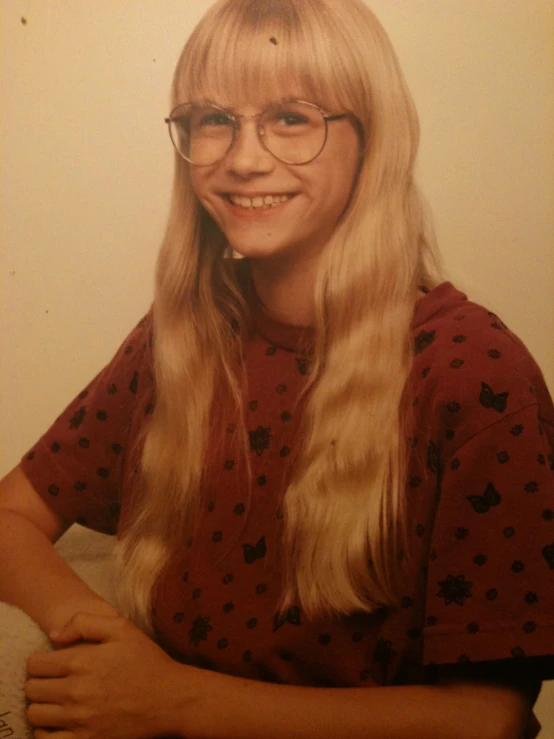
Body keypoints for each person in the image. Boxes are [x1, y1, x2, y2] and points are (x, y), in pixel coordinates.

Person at [1, 0, 552, 736]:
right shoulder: (180, 334)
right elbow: (11, 515)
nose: (244, 157)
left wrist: (176, 700)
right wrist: (101, 634)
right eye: (211, 118)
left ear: (373, 139)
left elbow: (491, 717)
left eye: (291, 117)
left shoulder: (475, 375)